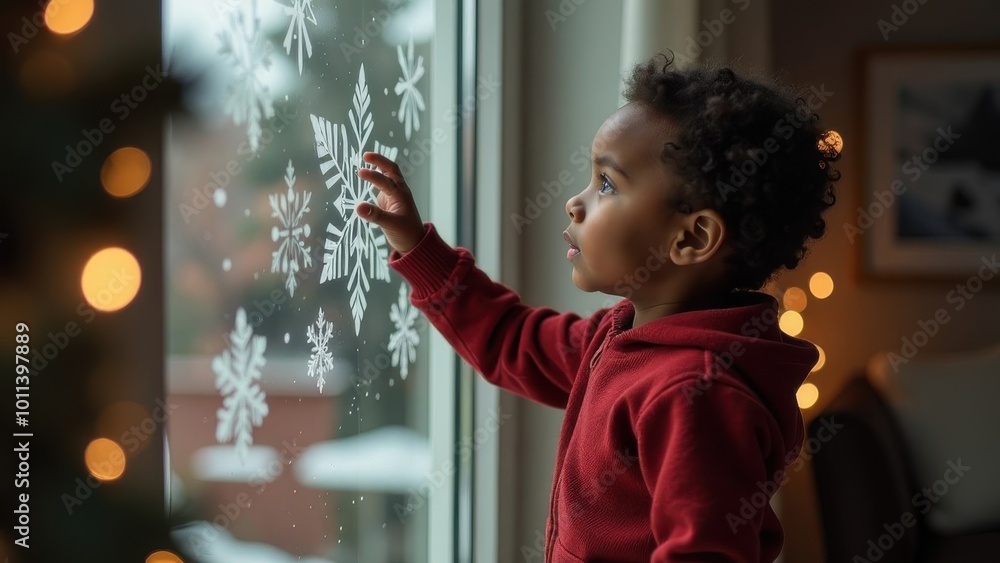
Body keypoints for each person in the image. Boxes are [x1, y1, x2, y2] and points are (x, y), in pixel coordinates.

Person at [355, 53, 839, 562]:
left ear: (693, 236)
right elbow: (509, 340)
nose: (575, 202)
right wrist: (416, 247)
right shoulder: (619, 339)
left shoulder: (696, 393)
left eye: (607, 184)